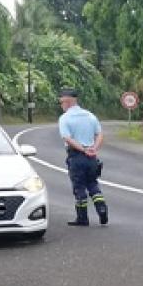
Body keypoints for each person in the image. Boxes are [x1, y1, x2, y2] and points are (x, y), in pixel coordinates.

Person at [57, 88, 107, 226]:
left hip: (76, 156)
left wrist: (83, 149)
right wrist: (94, 148)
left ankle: (82, 218)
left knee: (79, 187)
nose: (61, 106)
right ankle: (101, 208)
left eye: (61, 102)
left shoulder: (65, 118)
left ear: (67, 102)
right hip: (92, 157)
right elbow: (100, 134)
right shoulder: (90, 115)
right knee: (92, 183)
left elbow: (67, 138)